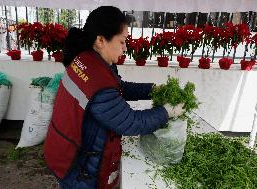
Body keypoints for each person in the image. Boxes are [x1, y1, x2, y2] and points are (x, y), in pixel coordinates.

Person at [44, 6, 185, 189]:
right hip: (76, 168)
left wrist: (153, 89)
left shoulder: (89, 59)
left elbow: (119, 88)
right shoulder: (96, 79)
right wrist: (167, 111)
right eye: (122, 41)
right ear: (101, 40)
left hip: (66, 149)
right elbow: (132, 123)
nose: (125, 48)